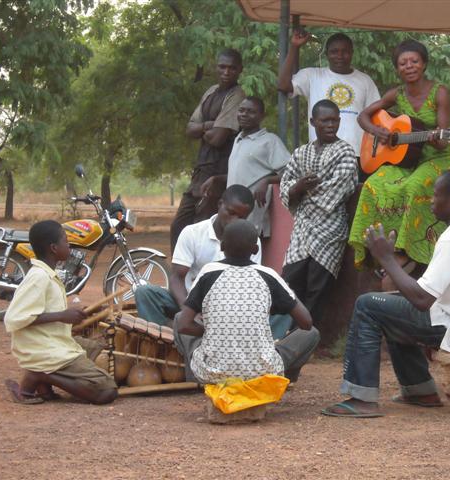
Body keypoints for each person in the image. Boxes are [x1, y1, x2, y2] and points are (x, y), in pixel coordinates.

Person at [321, 167, 450, 418]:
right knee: (390, 307)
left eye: (436, 195)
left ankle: (362, 398)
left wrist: (387, 259)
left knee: (368, 305)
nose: (431, 201)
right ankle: (420, 390)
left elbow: (422, 299)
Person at [349, 39, 450, 276]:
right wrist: (378, 131)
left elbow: (443, 140)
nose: (409, 66)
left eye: (414, 61)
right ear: (397, 69)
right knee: (372, 184)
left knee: (415, 186)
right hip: (407, 160)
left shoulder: (439, 92)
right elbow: (363, 117)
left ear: (425, 64)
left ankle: (407, 251)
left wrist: (433, 137)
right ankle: (375, 251)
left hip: (437, 158)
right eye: (402, 63)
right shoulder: (396, 94)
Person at [175, 219, 320, 384]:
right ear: (256, 249)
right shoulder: (269, 275)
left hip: (213, 373)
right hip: (263, 371)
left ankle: (195, 379)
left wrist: (212, 333)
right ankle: (283, 379)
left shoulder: (208, 272)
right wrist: (287, 294)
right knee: (312, 333)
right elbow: (306, 322)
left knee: (179, 318)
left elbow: (184, 324)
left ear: (222, 246)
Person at [4, 220, 117, 405]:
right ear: (54, 248)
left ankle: (43, 382)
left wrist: (71, 316)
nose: (69, 245)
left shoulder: (48, 274)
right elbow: (13, 318)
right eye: (66, 241)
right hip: (44, 349)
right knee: (107, 391)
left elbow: (45, 311)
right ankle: (41, 375)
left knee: (101, 349)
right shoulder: (38, 277)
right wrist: (62, 316)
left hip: (54, 341)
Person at [135, 185, 261, 326]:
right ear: (220, 204)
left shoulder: (251, 240)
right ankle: (164, 335)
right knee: (145, 293)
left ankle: (262, 345)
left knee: (283, 303)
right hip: (189, 302)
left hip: (228, 309)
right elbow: (177, 278)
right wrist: (189, 312)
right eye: (231, 212)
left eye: (241, 217)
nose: (234, 220)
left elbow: (248, 285)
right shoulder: (192, 233)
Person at [279, 99, 358, 324]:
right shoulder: (301, 152)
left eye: (334, 120)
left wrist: (300, 189)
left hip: (330, 229)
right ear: (313, 122)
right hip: (302, 229)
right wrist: (297, 187)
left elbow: (337, 189)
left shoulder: (345, 152)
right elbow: (286, 184)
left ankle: (307, 339)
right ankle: (284, 333)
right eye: (325, 120)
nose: (330, 125)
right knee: (291, 280)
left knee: (317, 287)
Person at [170, 48, 246, 252]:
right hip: (200, 169)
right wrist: (208, 125)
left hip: (218, 172)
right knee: (179, 226)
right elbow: (189, 129)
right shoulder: (211, 91)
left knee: (203, 229)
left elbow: (219, 138)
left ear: (240, 70)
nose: (226, 72)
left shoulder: (236, 94)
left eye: (232, 68)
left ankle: (203, 279)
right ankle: (181, 276)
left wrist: (204, 128)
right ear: (215, 67)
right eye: (222, 67)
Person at [277, 30, 380, 157]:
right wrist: (294, 47)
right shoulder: (312, 75)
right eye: (334, 52)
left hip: (356, 154)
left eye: (345, 51)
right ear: (326, 54)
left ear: (352, 53)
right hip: (320, 154)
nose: (340, 56)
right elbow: (283, 85)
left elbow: (376, 117)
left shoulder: (365, 81)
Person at [209, 96, 290, 237]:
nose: (244, 114)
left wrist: (266, 181)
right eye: (241, 110)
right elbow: (246, 173)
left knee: (246, 251)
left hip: (251, 215)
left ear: (262, 116)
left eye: (251, 112)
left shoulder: (270, 141)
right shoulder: (238, 140)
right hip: (230, 212)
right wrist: (217, 179)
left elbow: (291, 173)